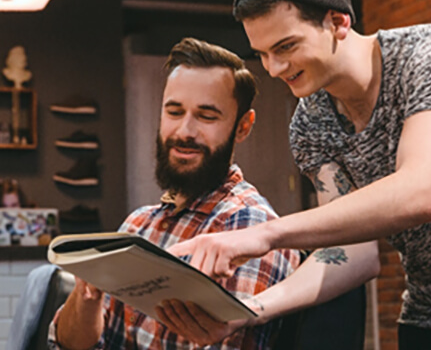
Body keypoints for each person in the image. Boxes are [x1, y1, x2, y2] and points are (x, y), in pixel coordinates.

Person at [167, 0, 431, 348]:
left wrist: (264, 235)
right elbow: (354, 254)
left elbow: (420, 193)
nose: (273, 69)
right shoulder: (311, 122)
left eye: (285, 47)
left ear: (338, 21)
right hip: (428, 316)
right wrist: (250, 310)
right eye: (263, 54)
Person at [47, 38, 301, 349]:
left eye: (207, 116)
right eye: (174, 111)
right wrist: (86, 296)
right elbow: (65, 344)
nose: (184, 131)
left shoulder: (251, 227)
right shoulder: (138, 225)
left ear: (242, 127)